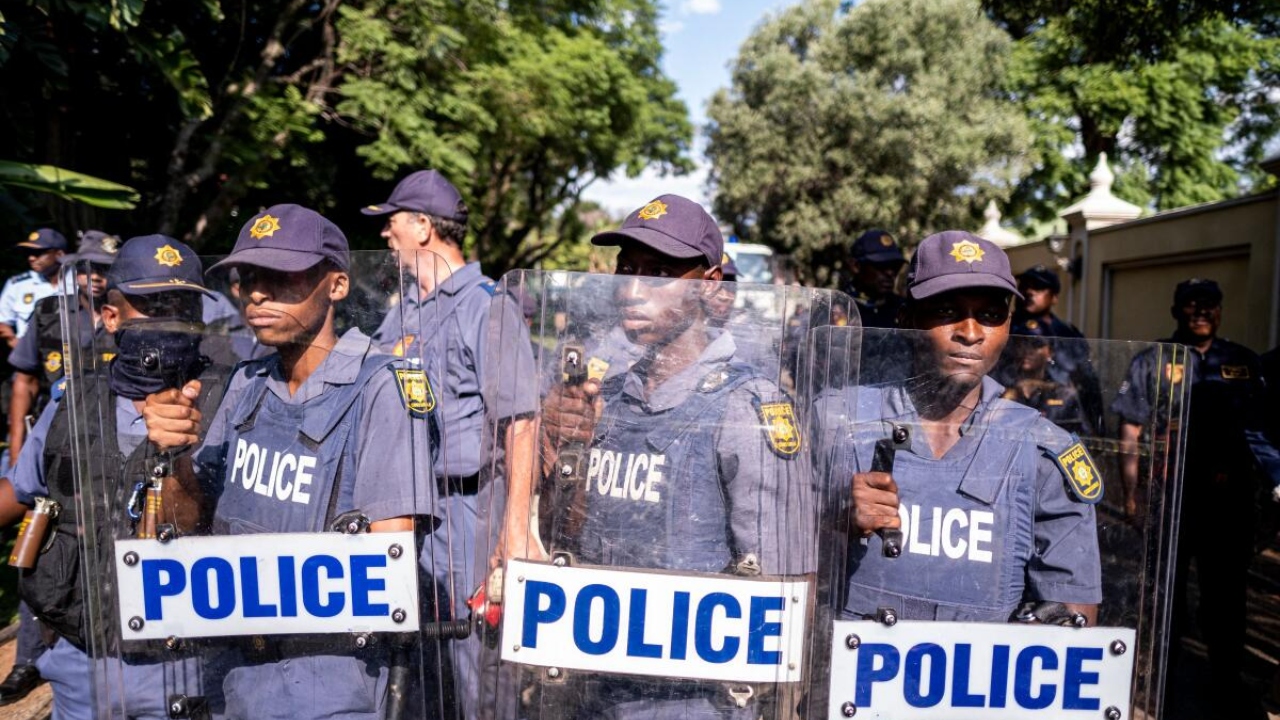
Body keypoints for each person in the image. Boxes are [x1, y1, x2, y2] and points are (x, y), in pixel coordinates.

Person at [142, 204, 438, 719]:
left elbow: (389, 566)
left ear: (337, 285)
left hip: (334, 681)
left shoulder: (383, 389)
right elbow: (184, 524)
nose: (257, 292)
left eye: (282, 275)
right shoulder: (246, 383)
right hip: (235, 671)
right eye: (248, 276)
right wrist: (172, 456)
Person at [538, 194, 810, 718]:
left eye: (659, 273)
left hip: (692, 696)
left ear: (709, 284)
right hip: (593, 682)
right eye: (626, 270)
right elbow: (565, 537)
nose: (632, 291)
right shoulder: (607, 396)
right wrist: (559, 447)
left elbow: (782, 585)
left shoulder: (746, 405)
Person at [0, 234, 230, 720]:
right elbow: (21, 491)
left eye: (182, 303)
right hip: (82, 660)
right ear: (110, 316)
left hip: (187, 666)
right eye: (152, 304)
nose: (169, 317)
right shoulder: (71, 401)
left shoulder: (231, 400)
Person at [839, 230, 1102, 626]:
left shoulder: (1043, 452)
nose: (971, 332)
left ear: (1008, 326)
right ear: (906, 318)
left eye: (991, 315)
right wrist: (835, 518)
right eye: (947, 311)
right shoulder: (839, 421)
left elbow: (1074, 619)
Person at [363, 170, 538, 719]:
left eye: (392, 222)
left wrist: (511, 534)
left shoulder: (486, 306)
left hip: (468, 512)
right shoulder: (404, 310)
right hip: (406, 513)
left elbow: (523, 424)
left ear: (422, 225)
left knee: (476, 676)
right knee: (416, 677)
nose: (385, 235)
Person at [1112, 278, 1280, 716]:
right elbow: (1129, 430)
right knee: (1165, 596)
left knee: (1226, 598)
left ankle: (1226, 684)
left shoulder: (1242, 362)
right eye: (1191, 304)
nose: (1201, 311)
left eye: (1210, 304)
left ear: (1220, 311)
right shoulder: (1154, 360)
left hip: (1229, 507)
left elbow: (1262, 432)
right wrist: (1132, 497)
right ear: (1176, 311)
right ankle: (1160, 685)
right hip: (1170, 504)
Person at [8, 231, 120, 462]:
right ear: (75, 270)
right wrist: (16, 451)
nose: (96, 276)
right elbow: (25, 381)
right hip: (53, 435)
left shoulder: (130, 318)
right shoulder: (49, 313)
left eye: (105, 268)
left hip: (113, 440)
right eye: (87, 268)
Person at [0, 228, 68, 349]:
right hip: (32, 356)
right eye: (28, 253)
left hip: (72, 356)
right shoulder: (17, 284)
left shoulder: (80, 282)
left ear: (59, 254)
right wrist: (14, 341)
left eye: (38, 253)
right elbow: (2, 320)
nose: (31, 258)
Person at [840, 229, 906, 329]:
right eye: (881, 265)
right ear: (856, 266)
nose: (890, 273)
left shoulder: (904, 309)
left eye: (895, 266)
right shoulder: (837, 307)